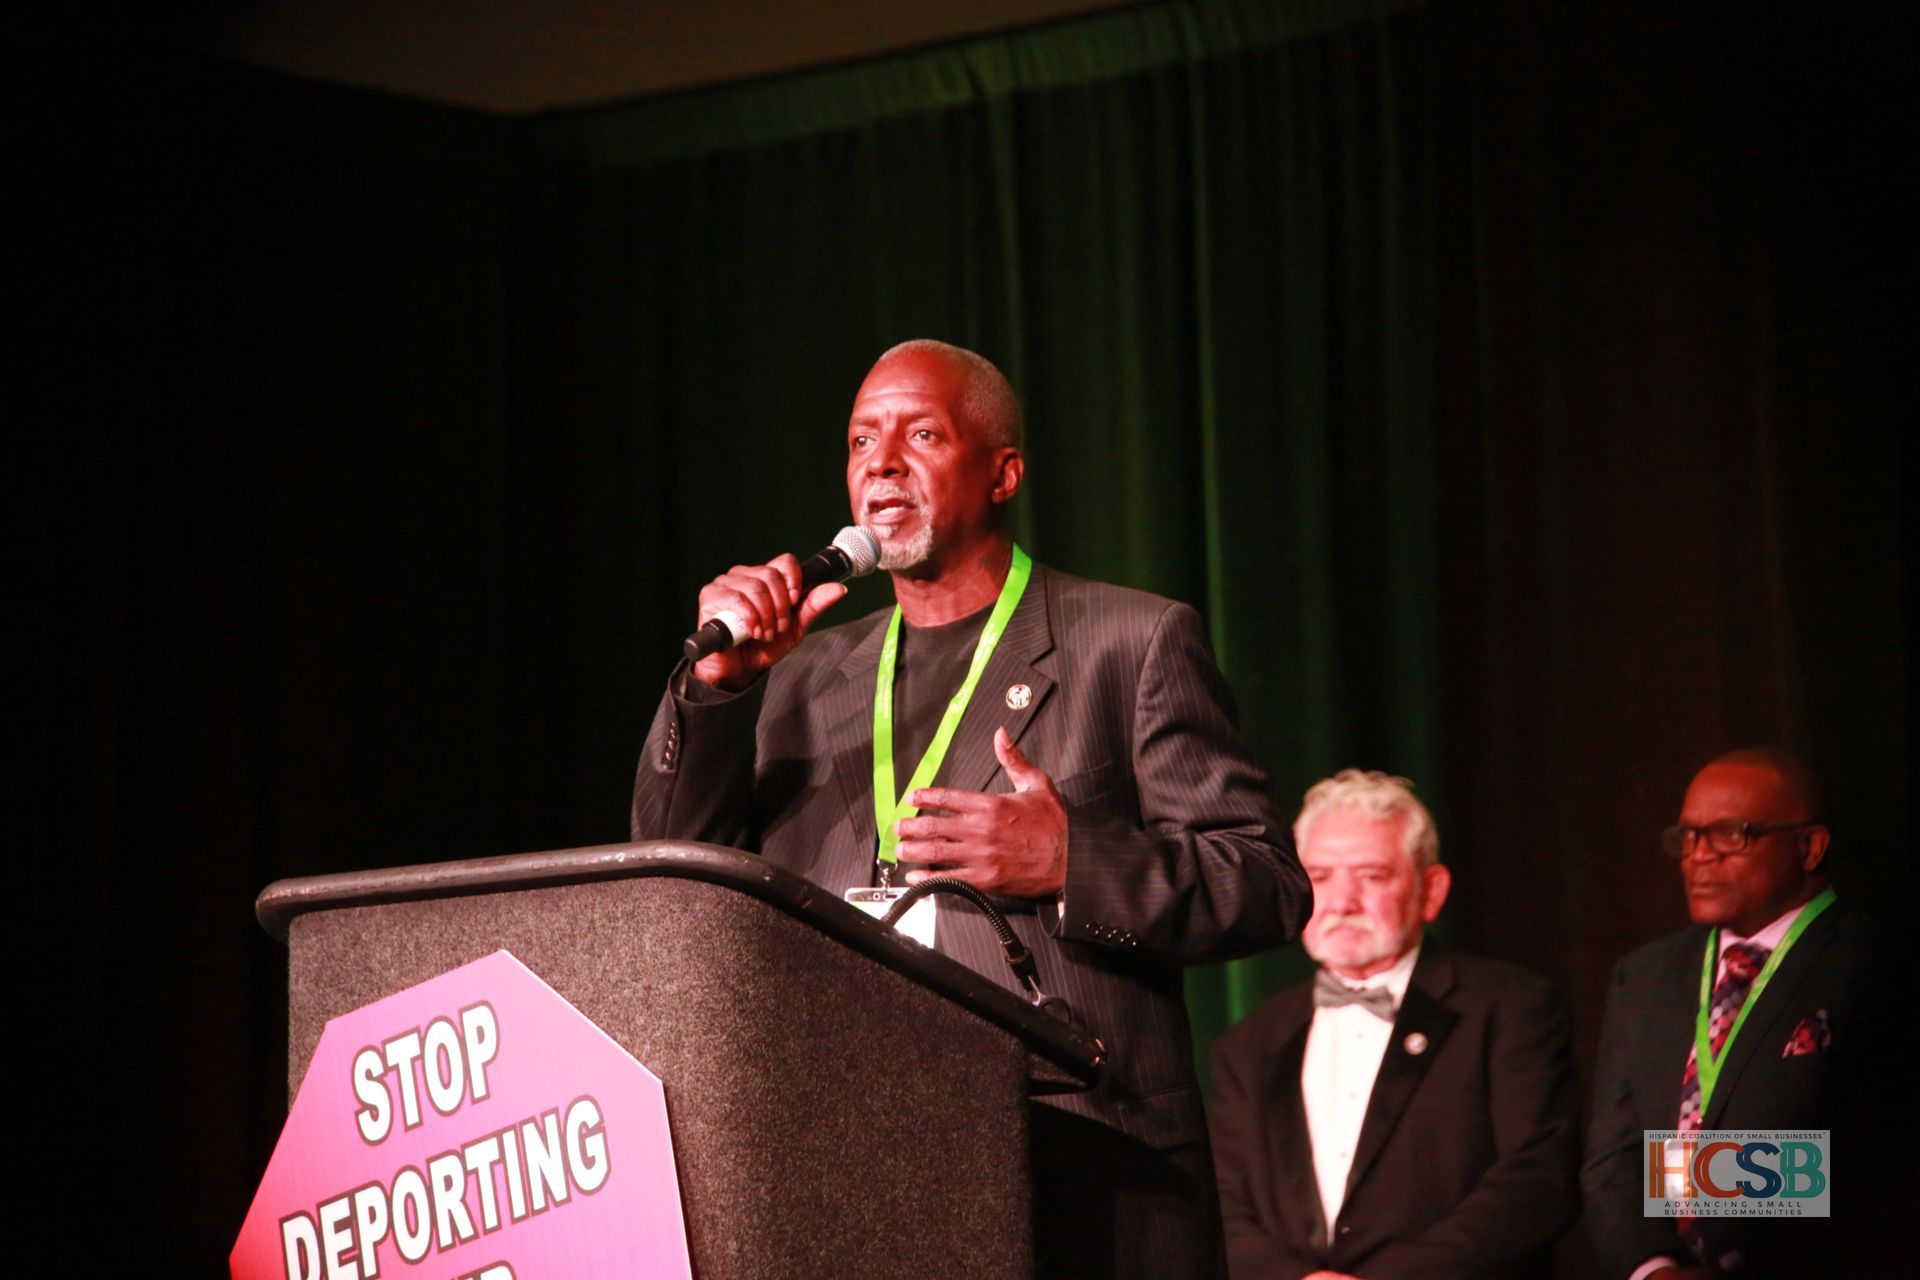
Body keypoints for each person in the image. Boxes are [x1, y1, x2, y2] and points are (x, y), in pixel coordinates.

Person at [631, 338, 1311, 1276]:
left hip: (1078, 1165)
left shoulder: (1131, 640)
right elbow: (678, 890)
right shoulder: (803, 675)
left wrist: (1074, 859)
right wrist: (713, 693)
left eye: (921, 433)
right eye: (862, 439)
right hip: (848, 1162)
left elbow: (1267, 883)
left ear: (1003, 473)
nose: (882, 461)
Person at [1208, 769, 1580, 1280]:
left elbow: (1537, 1181)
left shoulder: (1511, 1008)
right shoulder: (1248, 1044)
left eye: (1371, 876)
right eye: (1319, 876)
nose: (1340, 902)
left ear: (1431, 891)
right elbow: (1223, 1207)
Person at [1583, 749, 1891, 1278]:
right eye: (1688, 836)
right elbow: (1613, 1158)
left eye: (1731, 834)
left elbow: (1871, 1160)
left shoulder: (1878, 963)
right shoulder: (1645, 976)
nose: (1699, 856)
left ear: (1809, 846)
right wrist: (1653, 1269)